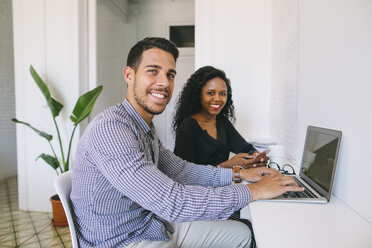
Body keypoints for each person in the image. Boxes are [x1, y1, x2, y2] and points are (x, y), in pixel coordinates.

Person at [71, 37, 303, 248]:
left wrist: (240, 175)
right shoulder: (111, 130)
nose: (164, 83)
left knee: (245, 235)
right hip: (124, 240)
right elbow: (172, 201)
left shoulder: (145, 129)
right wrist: (253, 191)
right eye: (153, 71)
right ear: (129, 75)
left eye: (170, 75)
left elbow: (181, 170)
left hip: (152, 224)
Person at [173, 65, 267, 169]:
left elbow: (246, 149)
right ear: (198, 95)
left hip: (220, 185)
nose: (218, 98)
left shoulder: (222, 122)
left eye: (222, 94)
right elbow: (188, 175)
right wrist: (228, 165)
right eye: (211, 93)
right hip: (196, 185)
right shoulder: (188, 127)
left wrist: (257, 157)